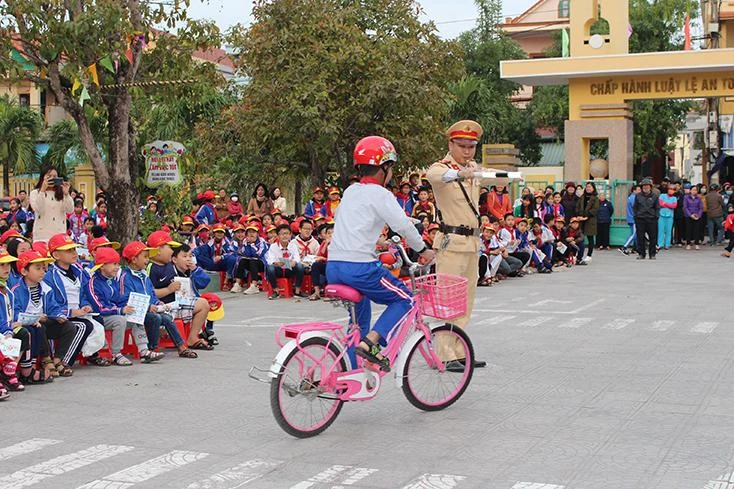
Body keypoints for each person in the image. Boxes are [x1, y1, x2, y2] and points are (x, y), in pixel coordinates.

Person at [327, 136, 434, 372]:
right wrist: (424, 249)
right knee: (405, 299)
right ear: (384, 167)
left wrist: (376, 243)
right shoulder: (382, 195)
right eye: (391, 168)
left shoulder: (351, 191)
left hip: (333, 266)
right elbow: (405, 226)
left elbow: (352, 226)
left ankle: (351, 372)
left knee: (359, 320)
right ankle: (370, 344)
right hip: (359, 268)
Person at [426, 120, 507, 369]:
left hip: (471, 242)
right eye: (462, 146)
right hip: (451, 243)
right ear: (451, 144)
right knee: (447, 299)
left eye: (471, 146)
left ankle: (460, 351)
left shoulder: (473, 168)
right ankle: (444, 354)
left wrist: (486, 173)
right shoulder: (441, 168)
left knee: (466, 301)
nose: (467, 151)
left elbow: (500, 182)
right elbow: (434, 176)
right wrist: (461, 173)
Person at [12, 250, 84, 377]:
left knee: (69, 326)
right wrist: (35, 318)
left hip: (45, 320)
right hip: (28, 324)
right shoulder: (16, 291)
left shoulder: (46, 288)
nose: (43, 272)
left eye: (44, 268)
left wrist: (59, 316)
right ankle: (46, 359)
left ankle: (57, 359)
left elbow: (53, 307)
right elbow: (15, 313)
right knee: (39, 326)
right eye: (38, 268)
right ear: (24, 272)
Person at [120, 241, 197, 359]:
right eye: (145, 257)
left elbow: (151, 293)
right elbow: (127, 298)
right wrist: (148, 307)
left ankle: (181, 347)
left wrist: (157, 302)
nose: (147, 260)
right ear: (134, 260)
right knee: (155, 317)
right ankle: (151, 348)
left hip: (148, 309)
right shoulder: (125, 277)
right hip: (135, 311)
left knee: (166, 318)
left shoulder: (144, 275)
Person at [88, 247, 164, 365]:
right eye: (113, 264)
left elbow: (119, 298)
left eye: (118, 264)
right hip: (100, 318)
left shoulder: (112, 281)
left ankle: (144, 351)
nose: (117, 267)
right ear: (102, 266)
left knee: (134, 314)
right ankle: (116, 354)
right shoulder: (94, 283)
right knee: (120, 320)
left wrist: (131, 305)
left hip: (113, 313)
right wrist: (120, 310)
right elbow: (99, 308)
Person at [44, 233, 109, 367]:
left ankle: (90, 355)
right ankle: (63, 361)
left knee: (96, 321)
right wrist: (69, 312)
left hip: (78, 313)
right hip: (61, 315)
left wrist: (85, 306)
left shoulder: (78, 272)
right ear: (56, 255)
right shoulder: (50, 276)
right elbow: (49, 303)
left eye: (74, 249)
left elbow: (83, 295)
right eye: (69, 250)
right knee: (84, 326)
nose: (74, 253)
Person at [148, 232, 214, 350]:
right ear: (158, 250)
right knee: (203, 303)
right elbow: (150, 293)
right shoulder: (151, 268)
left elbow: (204, 281)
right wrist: (168, 290)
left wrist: (192, 268)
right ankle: (190, 338)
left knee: (207, 302)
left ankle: (194, 336)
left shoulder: (169, 265)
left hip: (177, 304)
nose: (172, 251)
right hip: (162, 307)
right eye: (170, 248)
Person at [29, 165, 74, 243]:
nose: (52, 178)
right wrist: (42, 190)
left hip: (59, 234)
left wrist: (66, 194)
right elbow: (39, 209)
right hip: (42, 235)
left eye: (55, 176)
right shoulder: (35, 193)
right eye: (49, 176)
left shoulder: (61, 194)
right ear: (43, 177)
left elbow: (70, 210)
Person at [265, 224, 306, 300]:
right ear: (277, 236)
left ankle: (297, 291)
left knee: (300, 266)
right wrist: (276, 263)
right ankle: (275, 291)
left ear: (290, 235)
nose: (285, 236)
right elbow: (270, 260)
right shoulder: (273, 246)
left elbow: (297, 258)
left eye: (287, 234)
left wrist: (294, 262)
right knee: (270, 268)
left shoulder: (293, 246)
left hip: (289, 269)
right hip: (279, 269)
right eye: (282, 234)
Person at [633, 178, 660, 260]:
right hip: (640, 219)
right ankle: (641, 253)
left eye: (647, 186)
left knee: (653, 237)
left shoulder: (655, 196)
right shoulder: (638, 196)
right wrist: (636, 216)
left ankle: (652, 254)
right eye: (644, 186)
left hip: (651, 219)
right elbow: (635, 207)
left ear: (650, 187)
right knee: (640, 237)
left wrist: (656, 216)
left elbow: (657, 208)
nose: (645, 187)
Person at [576, 182, 599, 262]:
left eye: (590, 187)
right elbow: (578, 207)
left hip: (590, 220)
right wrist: (579, 215)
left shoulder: (595, 198)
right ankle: (578, 254)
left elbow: (595, 209)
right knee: (579, 237)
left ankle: (589, 254)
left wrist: (586, 216)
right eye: (587, 187)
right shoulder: (582, 197)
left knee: (590, 238)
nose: (588, 188)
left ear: (593, 188)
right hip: (581, 220)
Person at [619, 185, 640, 255]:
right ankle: (624, 247)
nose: (640, 191)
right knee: (634, 234)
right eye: (638, 190)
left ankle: (636, 248)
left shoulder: (630, 197)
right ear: (634, 191)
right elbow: (637, 209)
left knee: (635, 234)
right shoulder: (634, 198)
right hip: (634, 219)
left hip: (631, 218)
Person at [683, 184, 704, 250]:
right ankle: (688, 243)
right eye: (693, 190)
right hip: (688, 216)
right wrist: (690, 215)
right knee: (688, 230)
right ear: (690, 191)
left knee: (697, 230)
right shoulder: (686, 197)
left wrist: (698, 215)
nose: (694, 191)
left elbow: (701, 208)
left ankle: (696, 244)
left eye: (696, 190)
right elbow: (685, 207)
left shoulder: (698, 198)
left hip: (697, 216)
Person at [657, 186, 678, 250]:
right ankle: (660, 244)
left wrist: (665, 203)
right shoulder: (662, 195)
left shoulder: (674, 198)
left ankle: (667, 244)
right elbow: (660, 204)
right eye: (670, 189)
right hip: (661, 215)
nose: (671, 190)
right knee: (661, 230)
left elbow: (674, 206)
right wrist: (669, 205)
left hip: (670, 216)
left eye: (673, 189)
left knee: (669, 231)